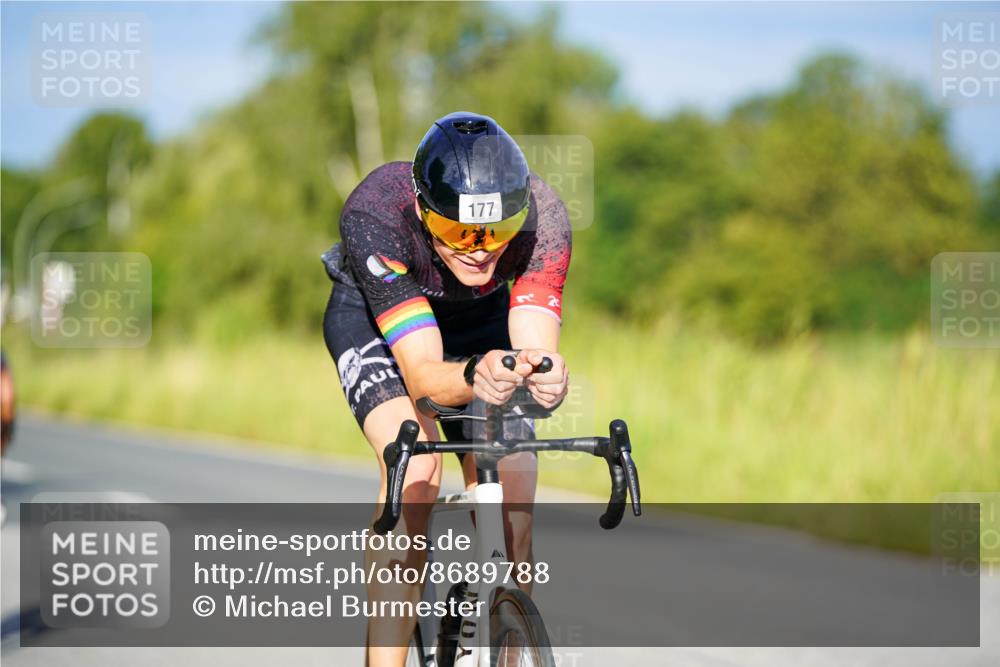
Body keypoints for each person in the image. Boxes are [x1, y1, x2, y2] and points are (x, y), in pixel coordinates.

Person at [321, 111, 571, 666]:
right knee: (417, 472)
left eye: (496, 232)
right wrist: (473, 373)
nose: (481, 250)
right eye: (459, 231)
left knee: (515, 493)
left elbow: (535, 345)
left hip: (482, 322)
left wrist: (546, 373)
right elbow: (423, 375)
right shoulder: (376, 214)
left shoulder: (544, 217)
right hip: (383, 324)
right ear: (423, 211)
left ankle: (508, 646)